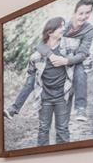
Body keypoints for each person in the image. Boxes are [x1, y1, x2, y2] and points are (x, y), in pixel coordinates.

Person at [6, 17, 77, 145]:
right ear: (50, 32)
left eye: (64, 26)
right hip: (45, 98)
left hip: (62, 96)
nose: (63, 29)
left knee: (62, 129)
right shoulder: (36, 56)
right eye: (60, 27)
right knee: (43, 129)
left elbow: (80, 54)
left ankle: (65, 157)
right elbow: (30, 78)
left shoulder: (67, 47)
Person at [58, 0, 93, 122]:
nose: (84, 17)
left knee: (79, 72)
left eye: (87, 13)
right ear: (74, 13)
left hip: (78, 60)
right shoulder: (64, 26)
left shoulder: (89, 29)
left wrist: (69, 61)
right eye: (81, 13)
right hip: (61, 60)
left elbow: (83, 53)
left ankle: (80, 107)